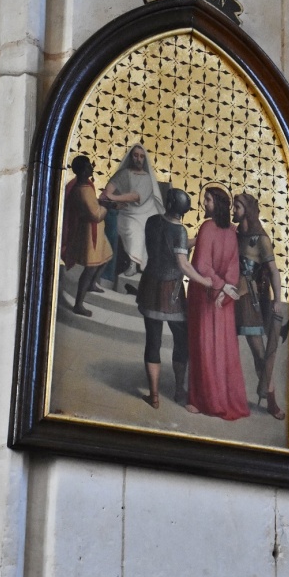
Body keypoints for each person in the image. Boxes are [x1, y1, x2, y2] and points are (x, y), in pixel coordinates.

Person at [136, 188, 212, 409]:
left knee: (153, 341)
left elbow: (169, 244)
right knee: (181, 341)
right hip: (172, 292)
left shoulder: (152, 221)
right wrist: (205, 281)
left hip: (149, 285)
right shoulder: (179, 230)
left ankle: (154, 396)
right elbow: (182, 263)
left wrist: (195, 240)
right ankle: (179, 390)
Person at [186, 186, 250, 421]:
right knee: (221, 349)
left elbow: (201, 266)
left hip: (205, 296)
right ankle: (220, 398)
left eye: (208, 200)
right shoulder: (231, 232)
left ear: (218, 205)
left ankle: (201, 400)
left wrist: (220, 286)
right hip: (223, 298)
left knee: (203, 346)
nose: (204, 204)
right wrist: (226, 287)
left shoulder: (207, 228)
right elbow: (233, 267)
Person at [232, 192, 285, 420]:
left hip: (249, 300)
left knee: (259, 354)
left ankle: (271, 399)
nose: (234, 211)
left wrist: (277, 300)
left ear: (248, 211)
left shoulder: (260, 239)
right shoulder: (235, 234)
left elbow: (273, 271)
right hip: (229, 296)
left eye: (238, 207)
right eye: (234, 207)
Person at [100, 144, 165, 276]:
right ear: (131, 157)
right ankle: (125, 265)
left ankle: (137, 264)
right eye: (135, 155)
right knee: (125, 226)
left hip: (146, 212)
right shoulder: (123, 174)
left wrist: (114, 197)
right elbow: (107, 191)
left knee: (141, 229)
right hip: (126, 212)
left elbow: (136, 196)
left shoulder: (147, 178)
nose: (138, 159)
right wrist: (111, 198)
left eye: (141, 156)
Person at [62, 155, 113, 316]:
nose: (92, 167)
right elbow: (96, 215)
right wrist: (106, 207)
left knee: (107, 257)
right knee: (90, 268)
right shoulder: (82, 190)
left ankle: (91, 284)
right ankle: (79, 304)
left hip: (96, 231)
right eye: (89, 166)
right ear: (84, 171)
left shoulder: (86, 185)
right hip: (89, 234)